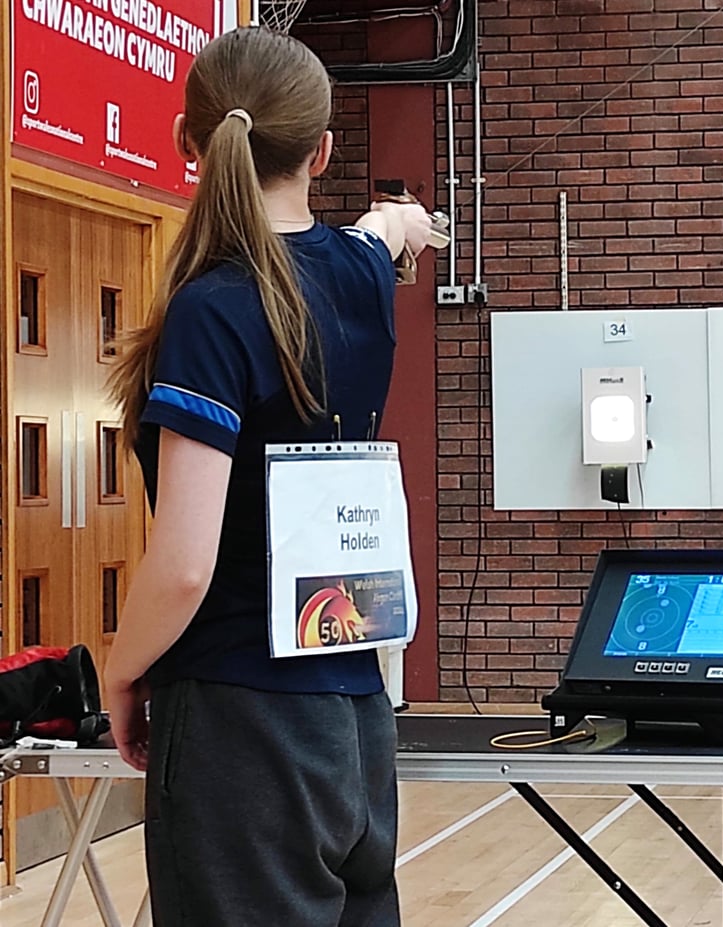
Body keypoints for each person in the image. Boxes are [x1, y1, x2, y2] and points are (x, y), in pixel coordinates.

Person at [104, 25, 432, 927]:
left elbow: (183, 565)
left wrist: (118, 670)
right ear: (323, 150)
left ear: (187, 145)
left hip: (241, 731)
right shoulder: (360, 277)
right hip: (356, 725)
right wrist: (399, 221)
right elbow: (374, 236)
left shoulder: (211, 309)